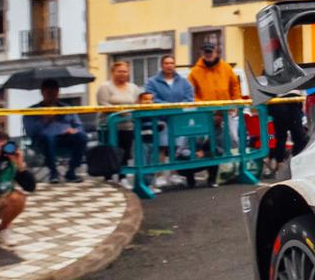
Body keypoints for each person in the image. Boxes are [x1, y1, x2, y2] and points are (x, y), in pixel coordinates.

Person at [189, 42, 243, 188]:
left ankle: (233, 170)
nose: (208, 54)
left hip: (226, 112)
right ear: (202, 53)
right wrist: (208, 110)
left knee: (232, 139)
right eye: (206, 52)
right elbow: (192, 94)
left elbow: (235, 87)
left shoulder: (226, 68)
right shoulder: (195, 72)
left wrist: (236, 103)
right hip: (206, 115)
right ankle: (204, 175)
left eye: (211, 51)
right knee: (204, 143)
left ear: (216, 52)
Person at [143, 54, 195, 188]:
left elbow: (189, 98)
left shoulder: (183, 81)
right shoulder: (152, 81)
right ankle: (159, 175)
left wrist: (178, 108)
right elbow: (151, 98)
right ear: (162, 65)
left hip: (178, 119)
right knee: (161, 147)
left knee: (176, 148)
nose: (169, 65)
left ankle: (174, 174)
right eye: (166, 63)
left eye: (172, 63)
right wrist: (168, 106)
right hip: (161, 120)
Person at [94, 58, 145, 181]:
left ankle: (123, 178)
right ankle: (108, 178)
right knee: (110, 153)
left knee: (125, 153)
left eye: (125, 71)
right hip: (109, 126)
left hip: (127, 126)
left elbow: (139, 101)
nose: (122, 74)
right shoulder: (105, 87)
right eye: (119, 71)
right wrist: (122, 113)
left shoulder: (133, 87)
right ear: (113, 72)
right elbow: (103, 104)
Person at [28, 79, 86, 184]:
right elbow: (30, 131)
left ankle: (71, 171)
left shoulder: (67, 108)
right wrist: (44, 121)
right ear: (42, 93)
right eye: (49, 92)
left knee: (81, 136)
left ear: (58, 92)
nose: (52, 95)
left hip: (65, 137)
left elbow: (79, 126)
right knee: (48, 138)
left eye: (54, 92)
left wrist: (74, 130)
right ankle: (53, 172)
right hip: (44, 141)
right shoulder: (32, 110)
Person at [0, 127, 32, 252]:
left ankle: (3, 229)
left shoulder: (9, 161)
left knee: (18, 198)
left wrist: (21, 166)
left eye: (3, 146)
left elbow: (30, 187)